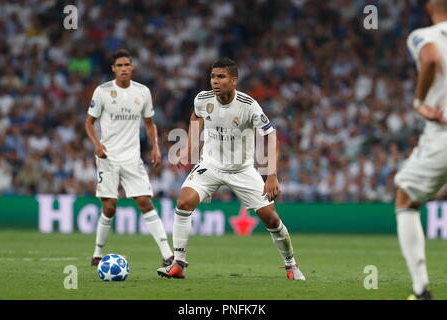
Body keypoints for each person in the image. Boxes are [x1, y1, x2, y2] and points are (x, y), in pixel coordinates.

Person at [157, 57, 305, 280]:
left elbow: (271, 137)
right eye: (212, 77)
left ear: (233, 80)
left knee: (271, 219)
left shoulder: (249, 106)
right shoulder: (202, 99)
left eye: (220, 77)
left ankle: (291, 265)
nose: (215, 81)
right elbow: (196, 116)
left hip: (242, 170)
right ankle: (178, 263)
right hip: (210, 165)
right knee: (183, 202)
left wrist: (271, 175)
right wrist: (189, 146)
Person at [85, 49, 173, 267]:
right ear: (113, 69)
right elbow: (89, 122)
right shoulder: (103, 91)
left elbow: (150, 123)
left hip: (132, 158)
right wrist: (97, 144)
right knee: (110, 207)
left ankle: (168, 254)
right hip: (108, 157)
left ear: (132, 67)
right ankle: (97, 253)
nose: (124, 69)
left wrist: (155, 147)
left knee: (145, 202)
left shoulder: (142, 92)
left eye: (127, 65)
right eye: (119, 65)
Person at [394, 0, 447, 300]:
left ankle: (421, 289)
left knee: (406, 198)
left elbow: (429, 59)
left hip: (443, 132)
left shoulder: (423, 35)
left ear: (430, 7)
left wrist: (419, 102)